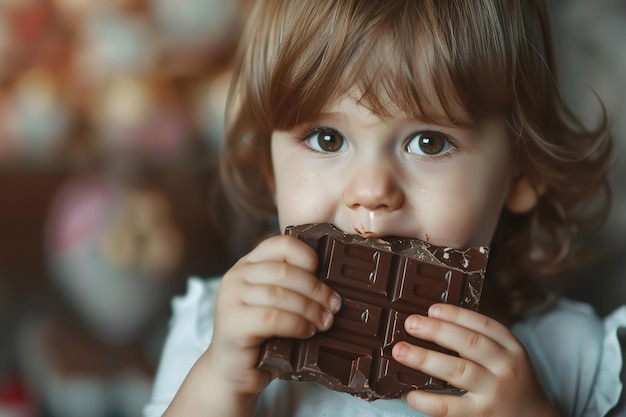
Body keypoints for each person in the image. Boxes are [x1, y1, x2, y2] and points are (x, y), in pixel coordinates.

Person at [143, 0, 625, 416]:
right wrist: (221, 381)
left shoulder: (574, 355)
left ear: (523, 173)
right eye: (327, 139)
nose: (371, 190)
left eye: (429, 142)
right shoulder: (219, 333)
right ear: (271, 172)